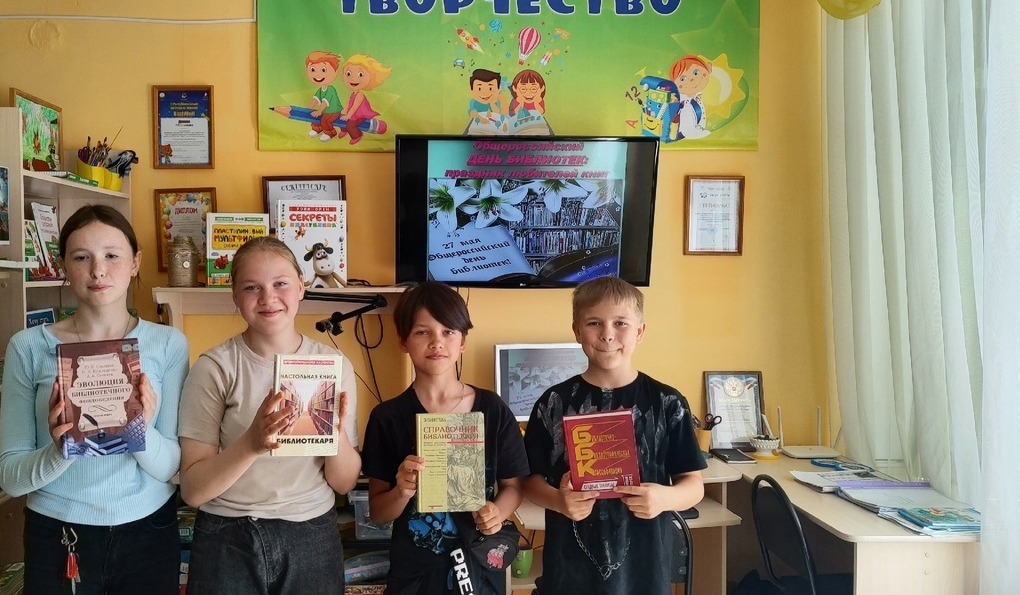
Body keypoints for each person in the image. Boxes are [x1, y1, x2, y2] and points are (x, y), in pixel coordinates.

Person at [0, 204, 189, 595]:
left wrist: (139, 430)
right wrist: (61, 449)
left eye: (112, 255)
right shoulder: (28, 347)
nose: (98, 271)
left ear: (135, 263)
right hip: (58, 534)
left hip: (149, 532)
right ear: (64, 267)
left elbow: (173, 466)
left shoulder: (168, 343)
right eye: (82, 257)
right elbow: (10, 479)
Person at [177, 236, 361, 595]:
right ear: (234, 295)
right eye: (252, 287)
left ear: (301, 287)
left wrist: (336, 434)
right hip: (226, 536)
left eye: (280, 283)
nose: (267, 297)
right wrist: (251, 443)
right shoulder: (215, 368)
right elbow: (193, 491)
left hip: (310, 532)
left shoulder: (333, 366)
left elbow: (344, 483)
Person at [523, 276, 706, 595]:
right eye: (594, 323)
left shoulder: (667, 402)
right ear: (577, 331)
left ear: (640, 331)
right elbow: (529, 481)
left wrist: (664, 498)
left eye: (620, 323)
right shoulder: (553, 403)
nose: (607, 334)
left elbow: (694, 484)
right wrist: (558, 501)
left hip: (644, 573)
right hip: (569, 573)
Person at [362, 282, 528, 595]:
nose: (436, 342)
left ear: (462, 341)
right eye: (422, 332)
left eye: (448, 331)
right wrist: (402, 491)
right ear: (403, 341)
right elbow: (379, 512)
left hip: (478, 567)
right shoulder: (387, 417)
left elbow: (514, 486)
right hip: (414, 574)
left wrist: (498, 513)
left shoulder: (492, 409)